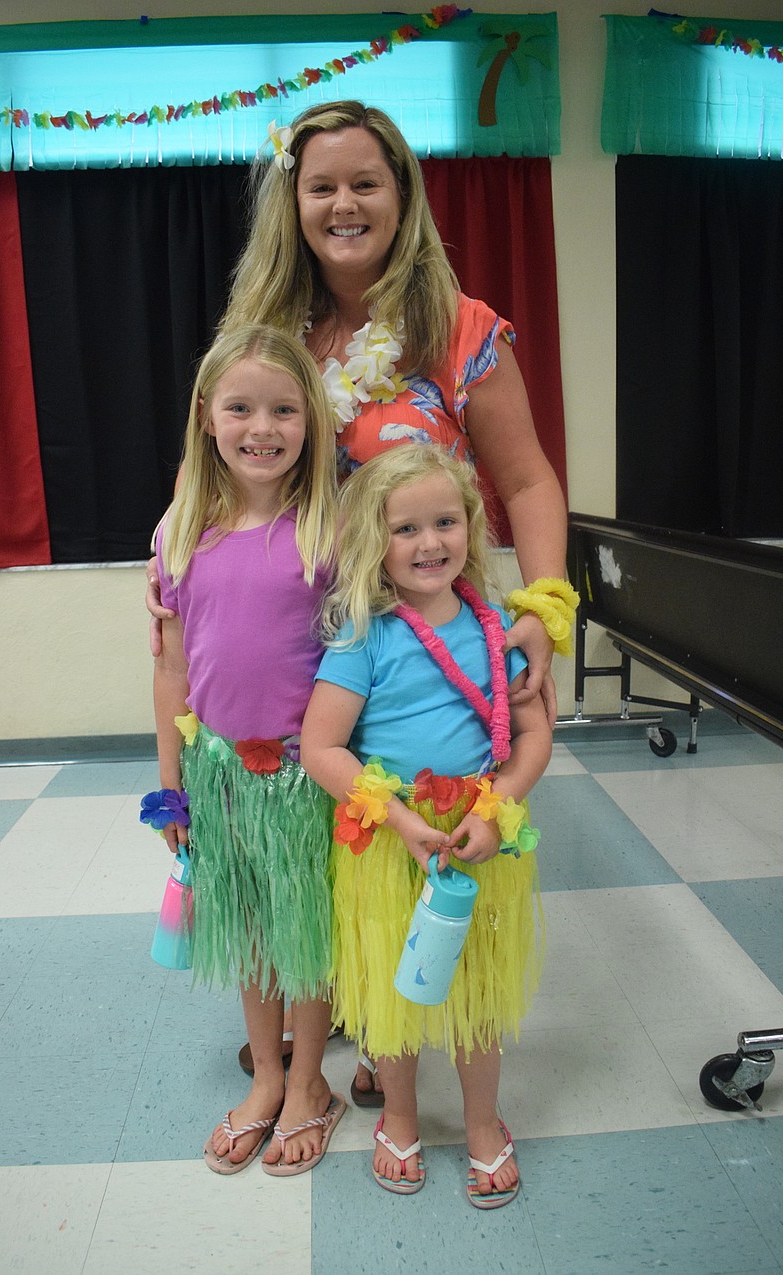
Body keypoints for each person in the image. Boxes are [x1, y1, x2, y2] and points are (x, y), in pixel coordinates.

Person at [147, 98, 570, 1102]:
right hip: (303, 645)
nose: (343, 203)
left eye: (365, 182)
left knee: (404, 822)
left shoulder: (460, 330)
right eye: (321, 185)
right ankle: (323, 1005)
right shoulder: (270, 335)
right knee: (309, 826)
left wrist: (546, 608)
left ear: (402, 195)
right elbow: (221, 465)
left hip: (415, 638)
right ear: (293, 202)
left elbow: (527, 483)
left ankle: (397, 1022)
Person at [300, 446, 554, 1208]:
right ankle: (401, 1114)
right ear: (373, 542)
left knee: (477, 987)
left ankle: (482, 1121)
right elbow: (321, 746)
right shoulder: (362, 631)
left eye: (445, 521)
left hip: (483, 834)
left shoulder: (500, 625)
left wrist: (493, 807)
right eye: (405, 528)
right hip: (391, 837)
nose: (429, 542)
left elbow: (536, 735)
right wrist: (404, 821)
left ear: (470, 527)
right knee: (397, 987)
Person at [150, 323, 346, 1176]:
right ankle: (265, 1073)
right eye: (240, 407)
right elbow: (168, 672)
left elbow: (366, 663)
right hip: (220, 774)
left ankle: (310, 1084)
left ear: (312, 421)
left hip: (307, 775)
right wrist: (171, 786)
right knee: (249, 927)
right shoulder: (179, 530)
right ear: (206, 416)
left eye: (282, 409)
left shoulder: (331, 531)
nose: (260, 427)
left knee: (304, 931)